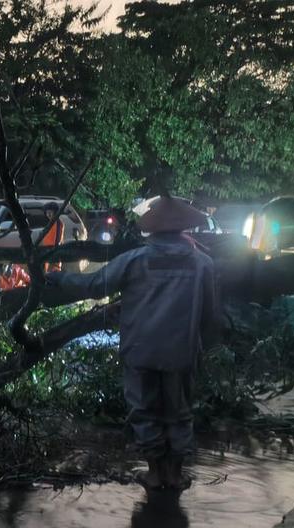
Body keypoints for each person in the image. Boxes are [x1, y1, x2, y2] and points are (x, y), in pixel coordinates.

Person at [47, 196, 221, 490]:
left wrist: (58, 277)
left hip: (140, 349)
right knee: (179, 412)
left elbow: (95, 285)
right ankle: (175, 475)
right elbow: (210, 314)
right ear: (184, 228)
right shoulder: (202, 263)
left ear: (151, 229)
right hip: (181, 352)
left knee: (144, 410)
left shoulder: (135, 260)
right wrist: (205, 346)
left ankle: (154, 473)